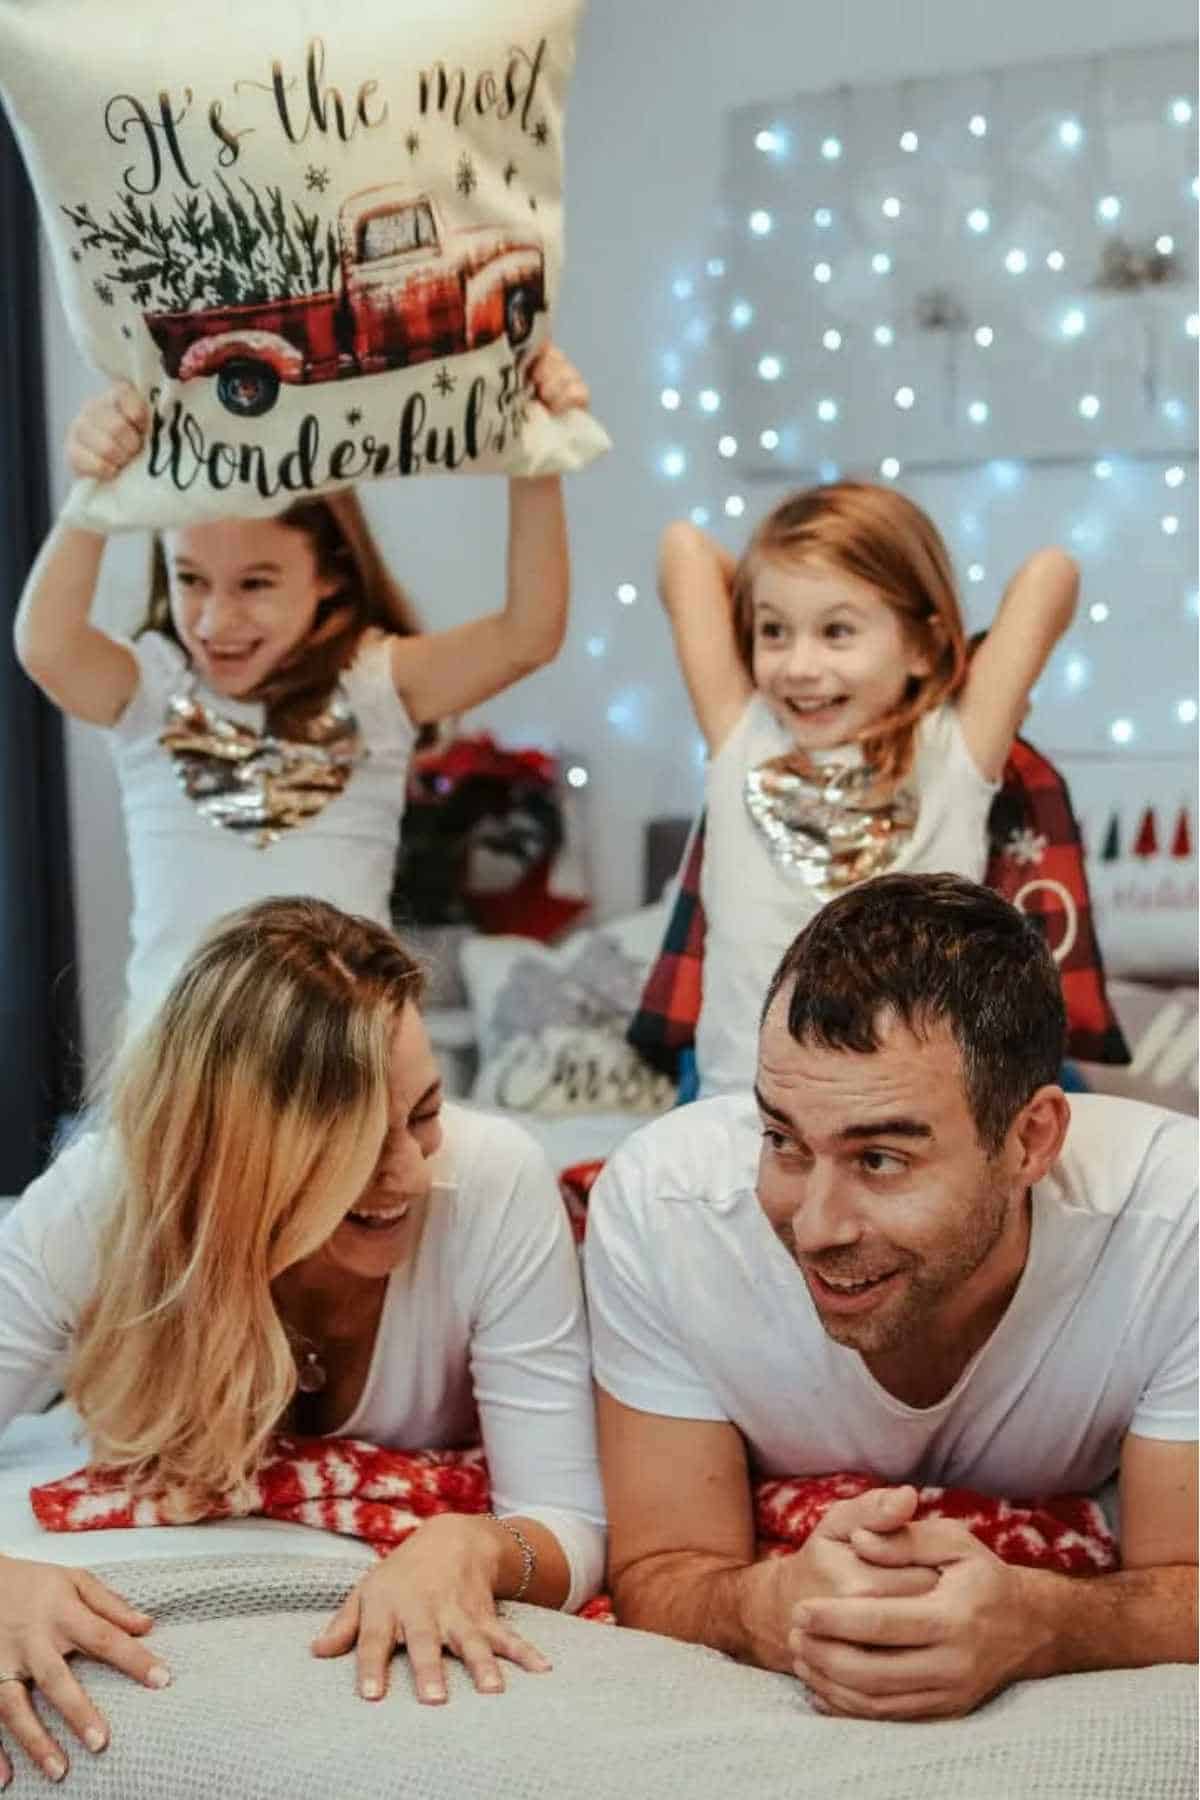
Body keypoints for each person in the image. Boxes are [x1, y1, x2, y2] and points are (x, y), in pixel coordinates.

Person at [0, 898, 605, 1787]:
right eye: (356, 1145)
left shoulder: (491, 1181)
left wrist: (472, 1546)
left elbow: (571, 1522)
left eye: (426, 1113)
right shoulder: (105, 1199)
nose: (411, 1173)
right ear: (240, 1152)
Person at [585, 873, 1197, 1719]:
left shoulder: (1176, 1223)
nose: (815, 1227)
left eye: (880, 1159)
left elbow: (1186, 1578)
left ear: (1031, 1140)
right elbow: (659, 1567)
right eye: (782, 1140)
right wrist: (767, 1606)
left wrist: (1046, 1622)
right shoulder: (663, 1208)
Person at [14, 346, 588, 1041]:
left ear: (329, 576)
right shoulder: (151, 692)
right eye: (191, 579)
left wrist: (537, 453)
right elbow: (45, 645)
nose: (215, 621)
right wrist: (95, 489)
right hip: (180, 1067)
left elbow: (528, 634)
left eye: (255, 584)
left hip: (340, 1061)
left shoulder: (373, 686)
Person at [656, 483, 1079, 1095]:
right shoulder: (742, 733)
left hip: (909, 1111)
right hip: (744, 1105)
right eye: (773, 630)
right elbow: (682, 549)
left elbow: (1052, 575)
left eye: (836, 631)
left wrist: (955, 666)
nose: (799, 667)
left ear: (922, 646)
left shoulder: (955, 747)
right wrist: (767, 577)